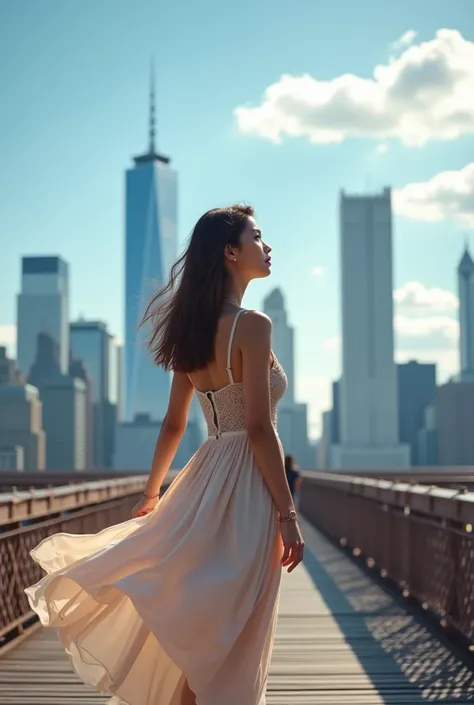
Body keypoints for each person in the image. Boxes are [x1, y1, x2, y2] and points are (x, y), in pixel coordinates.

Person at [25, 204, 304, 705]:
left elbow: (174, 425)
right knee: (237, 626)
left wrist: (153, 494)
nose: (268, 246)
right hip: (246, 487)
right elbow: (260, 429)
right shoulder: (254, 326)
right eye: (258, 237)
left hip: (203, 480)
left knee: (202, 623)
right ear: (230, 251)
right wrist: (288, 515)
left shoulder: (193, 330)